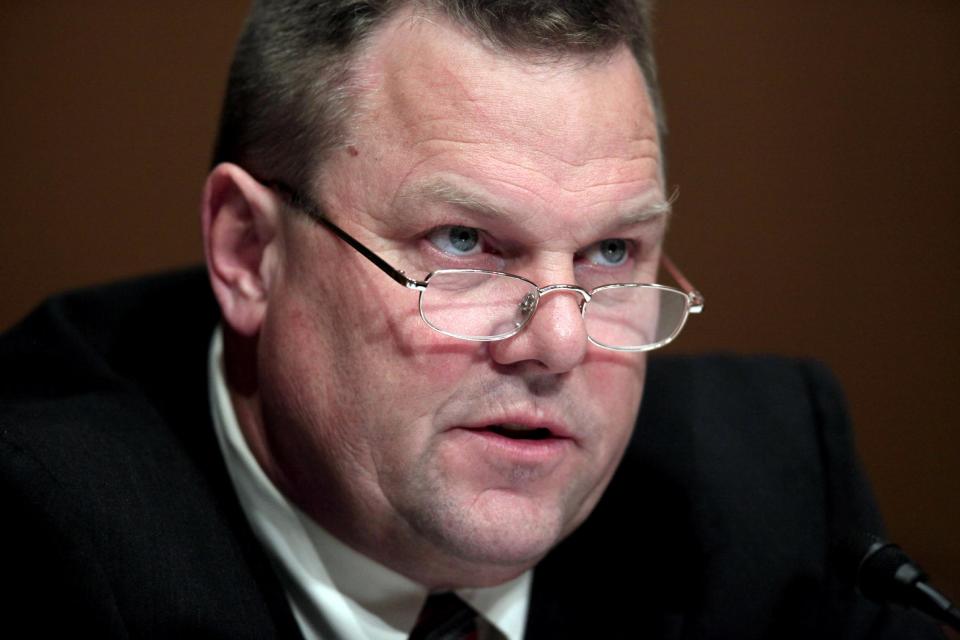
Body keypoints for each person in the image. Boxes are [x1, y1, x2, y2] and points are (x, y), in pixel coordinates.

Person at [0, 1, 946, 638]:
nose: (560, 343)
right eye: (463, 242)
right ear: (250, 253)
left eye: (612, 253)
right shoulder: (41, 529)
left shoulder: (768, 490)